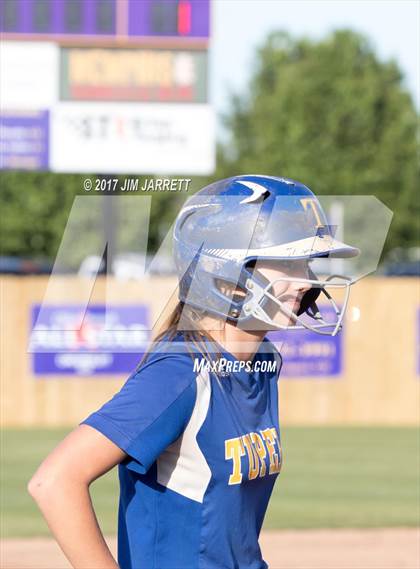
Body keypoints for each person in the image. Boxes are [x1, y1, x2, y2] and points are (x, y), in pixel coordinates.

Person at [28, 175, 358, 569]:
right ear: (228, 273)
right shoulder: (180, 371)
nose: (306, 280)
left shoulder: (261, 363)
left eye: (306, 262)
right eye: (289, 262)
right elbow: (54, 482)